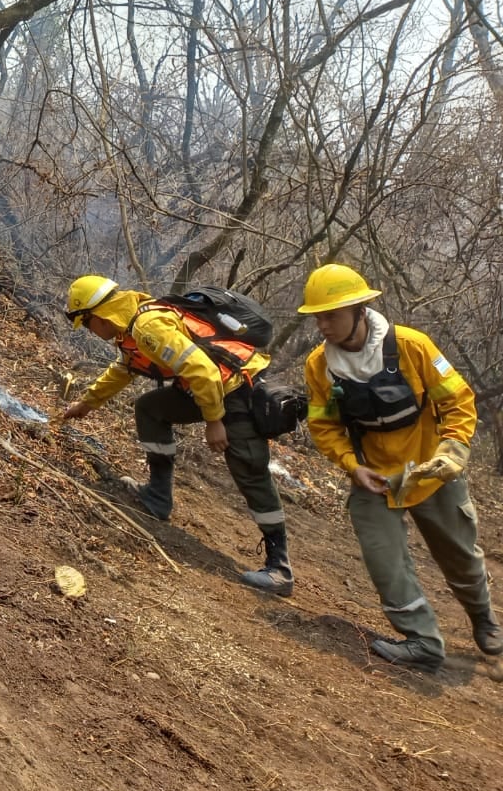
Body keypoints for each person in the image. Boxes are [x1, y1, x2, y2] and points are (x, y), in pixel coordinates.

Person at [298, 263, 503, 668]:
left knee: (460, 555)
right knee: (384, 561)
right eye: (317, 316)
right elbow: (324, 426)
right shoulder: (319, 365)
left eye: (331, 314)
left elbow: (458, 401)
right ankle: (422, 641)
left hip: (432, 472)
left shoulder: (413, 346)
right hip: (375, 478)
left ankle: (484, 618)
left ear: (360, 309)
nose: (323, 325)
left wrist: (454, 449)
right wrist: (352, 466)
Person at [58, 275, 294, 595]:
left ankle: (279, 568)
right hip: (207, 390)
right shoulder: (133, 326)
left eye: (87, 325)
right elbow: (125, 368)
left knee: (249, 469)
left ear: (99, 316)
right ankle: (157, 497)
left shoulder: (147, 326)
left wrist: (214, 422)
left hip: (238, 391)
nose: (91, 333)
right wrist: (87, 403)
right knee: (151, 408)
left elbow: (205, 371)